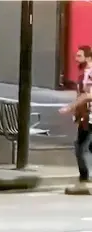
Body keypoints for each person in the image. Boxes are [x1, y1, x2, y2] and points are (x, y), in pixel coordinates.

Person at [59, 46, 92, 193]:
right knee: (82, 147)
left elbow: (88, 95)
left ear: (88, 57)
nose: (75, 59)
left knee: (82, 147)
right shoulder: (83, 74)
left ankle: (84, 178)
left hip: (90, 116)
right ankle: (84, 177)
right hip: (85, 116)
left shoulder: (90, 74)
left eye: (79, 56)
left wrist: (70, 107)